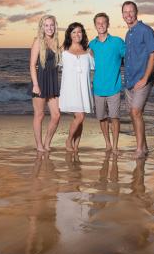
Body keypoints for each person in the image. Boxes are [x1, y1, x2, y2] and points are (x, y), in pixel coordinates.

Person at [122, 1, 154, 158]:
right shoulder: (128, 34)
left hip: (143, 80)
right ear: (122, 15)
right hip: (130, 80)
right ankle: (144, 147)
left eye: (131, 11)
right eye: (125, 12)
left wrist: (145, 78)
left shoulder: (146, 30)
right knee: (134, 113)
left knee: (135, 111)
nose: (128, 14)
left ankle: (139, 151)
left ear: (136, 13)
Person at [89, 12, 125, 153]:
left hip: (114, 87)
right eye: (98, 23)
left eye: (103, 22)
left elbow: (130, 56)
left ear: (108, 24)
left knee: (114, 117)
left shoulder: (117, 42)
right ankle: (107, 144)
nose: (101, 25)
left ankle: (115, 146)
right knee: (102, 118)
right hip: (97, 88)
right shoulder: (92, 44)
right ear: (95, 26)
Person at [59, 22, 94, 152]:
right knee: (80, 116)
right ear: (69, 34)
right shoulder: (63, 50)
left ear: (83, 34)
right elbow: (51, 64)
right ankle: (68, 140)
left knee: (80, 119)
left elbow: (96, 67)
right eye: (73, 32)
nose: (76, 34)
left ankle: (76, 146)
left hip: (84, 90)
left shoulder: (88, 51)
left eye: (79, 32)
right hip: (70, 90)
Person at [29, 15, 61, 152]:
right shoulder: (38, 42)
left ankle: (47, 143)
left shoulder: (56, 42)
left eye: (51, 25)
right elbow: (32, 65)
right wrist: (35, 85)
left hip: (53, 81)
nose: (49, 28)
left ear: (55, 26)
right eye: (46, 25)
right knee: (40, 115)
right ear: (42, 27)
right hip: (40, 81)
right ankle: (39, 145)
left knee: (56, 115)